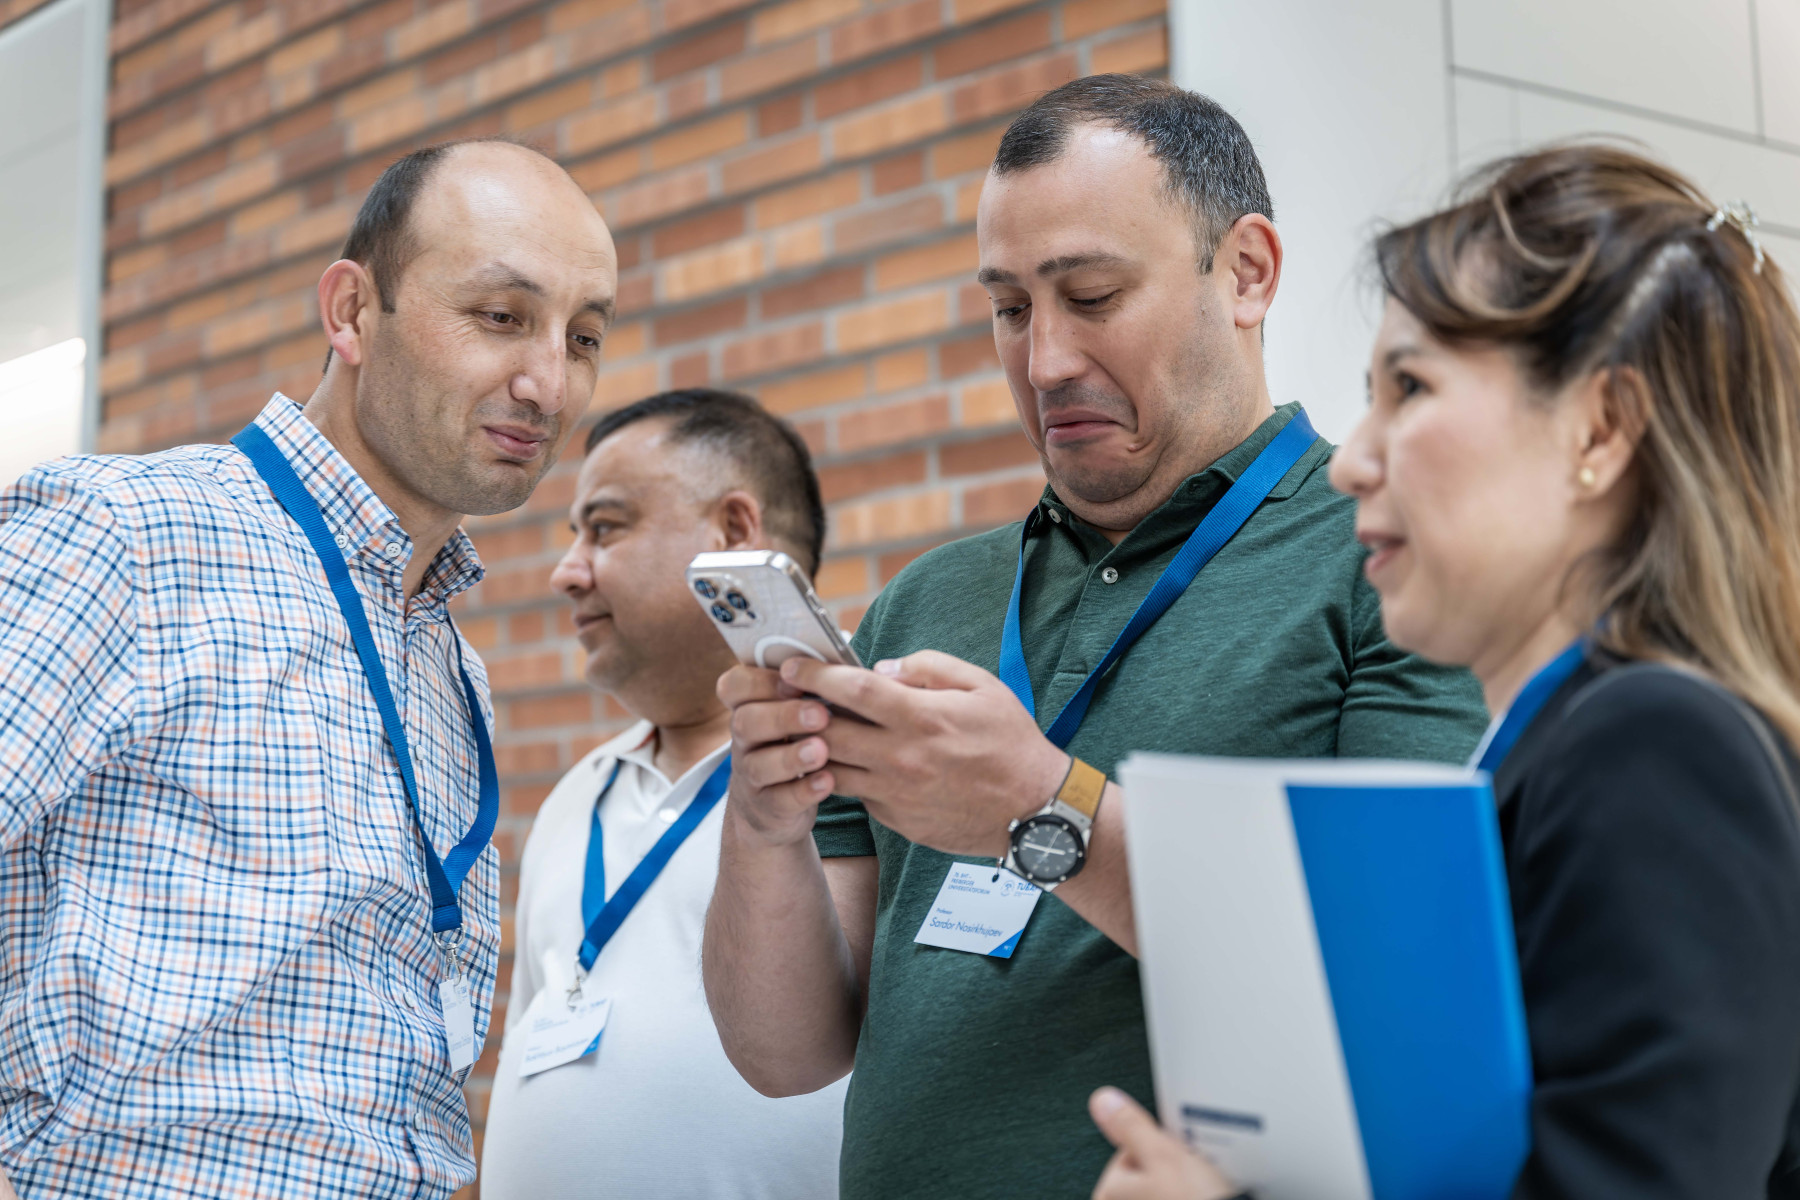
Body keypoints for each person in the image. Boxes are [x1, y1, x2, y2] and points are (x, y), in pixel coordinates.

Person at [700, 74, 1489, 1199]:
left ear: (1248, 272)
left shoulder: (1385, 559)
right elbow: (784, 1057)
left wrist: (1041, 807)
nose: (1045, 362)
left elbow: (1397, 972)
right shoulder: (925, 599)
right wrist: (763, 820)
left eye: (1093, 295)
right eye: (1011, 309)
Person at [1088, 144, 1800, 1199]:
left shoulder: (1655, 744)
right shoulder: (1563, 742)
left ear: (1601, 428)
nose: (1350, 461)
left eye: (1410, 388)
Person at [0, 138, 617, 1198]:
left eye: (584, 337)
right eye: (500, 316)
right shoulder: (126, 534)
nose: (548, 383)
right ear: (352, 313)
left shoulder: (448, 661)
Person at [479, 388, 847, 1199]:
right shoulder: (574, 798)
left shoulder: (868, 759)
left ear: (734, 532)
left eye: (606, 528)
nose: (566, 572)